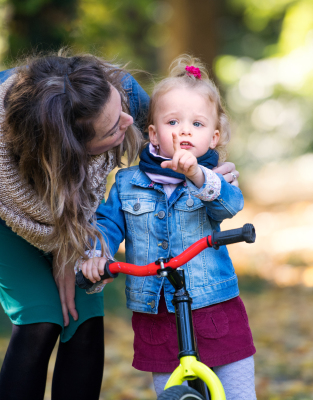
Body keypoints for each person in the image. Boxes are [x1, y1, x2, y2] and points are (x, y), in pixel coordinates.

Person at [0, 50, 240, 400]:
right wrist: (60, 245)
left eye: (118, 107)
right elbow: (17, 199)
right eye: (111, 128)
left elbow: (178, 144)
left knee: (83, 309)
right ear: (75, 151)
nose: (127, 120)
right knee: (41, 317)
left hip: (59, 184)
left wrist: (212, 175)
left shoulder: (125, 99)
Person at [80, 55, 257, 399]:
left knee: (236, 392)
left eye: (198, 124)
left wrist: (196, 174)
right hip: (156, 311)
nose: (185, 130)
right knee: (170, 393)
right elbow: (108, 224)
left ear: (215, 136)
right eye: (173, 121)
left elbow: (229, 206)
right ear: (153, 135)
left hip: (213, 306)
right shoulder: (128, 182)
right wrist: (96, 254)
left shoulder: (213, 180)